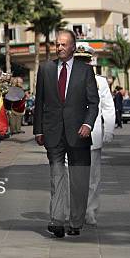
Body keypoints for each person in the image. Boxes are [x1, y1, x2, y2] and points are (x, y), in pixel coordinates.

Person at [33, 30, 99, 238]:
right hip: (53, 133)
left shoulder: (85, 71)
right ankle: (57, 220)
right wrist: (38, 130)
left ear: (72, 47)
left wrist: (88, 125)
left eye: (63, 44)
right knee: (57, 177)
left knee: (79, 179)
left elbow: (93, 103)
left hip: (79, 133)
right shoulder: (45, 69)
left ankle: (76, 221)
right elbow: (39, 102)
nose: (59, 48)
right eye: (57, 44)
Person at [68, 46, 115, 226]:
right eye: (79, 61)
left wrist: (109, 129)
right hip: (71, 135)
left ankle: (90, 210)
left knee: (93, 177)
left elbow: (108, 108)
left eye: (85, 61)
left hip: (93, 135)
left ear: (90, 62)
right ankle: (72, 209)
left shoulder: (100, 82)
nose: (83, 64)